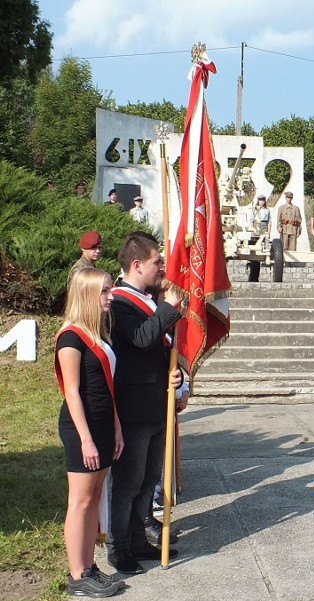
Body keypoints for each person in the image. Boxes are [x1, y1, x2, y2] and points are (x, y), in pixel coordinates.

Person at [107, 233, 183, 574]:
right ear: (137, 265)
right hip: (133, 407)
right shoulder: (119, 302)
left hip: (157, 403)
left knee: (149, 478)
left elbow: (161, 347)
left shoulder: (150, 299)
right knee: (128, 482)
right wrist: (168, 307)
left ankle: (139, 539)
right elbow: (141, 339)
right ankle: (118, 547)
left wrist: (177, 373)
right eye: (157, 262)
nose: (162, 268)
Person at [56, 268, 125, 597]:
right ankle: (77, 573)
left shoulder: (96, 334)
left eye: (110, 289)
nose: (110, 296)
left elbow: (107, 388)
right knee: (81, 501)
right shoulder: (70, 337)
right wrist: (85, 438)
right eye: (105, 291)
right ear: (86, 294)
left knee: (94, 499)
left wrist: (116, 426)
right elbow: (72, 392)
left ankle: (88, 565)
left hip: (101, 423)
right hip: (80, 427)